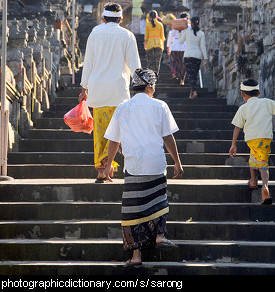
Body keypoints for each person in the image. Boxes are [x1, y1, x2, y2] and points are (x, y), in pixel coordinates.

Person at [103, 68, 184, 266]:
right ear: (149, 86)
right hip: (156, 163)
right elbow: (168, 137)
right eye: (153, 86)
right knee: (159, 201)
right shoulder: (160, 106)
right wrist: (177, 161)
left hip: (134, 166)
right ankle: (160, 235)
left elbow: (113, 140)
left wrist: (107, 166)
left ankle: (136, 256)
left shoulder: (122, 108)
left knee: (132, 212)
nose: (154, 89)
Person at [79, 2, 141, 183]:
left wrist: (84, 87)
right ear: (121, 18)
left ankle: (102, 168)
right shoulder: (127, 35)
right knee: (117, 132)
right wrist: (141, 88)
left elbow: (88, 62)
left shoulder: (95, 33)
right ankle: (108, 165)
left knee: (100, 132)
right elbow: (135, 66)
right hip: (118, 91)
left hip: (98, 90)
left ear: (103, 18)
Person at [229, 78, 273, 205]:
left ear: (243, 94)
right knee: (263, 162)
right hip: (265, 138)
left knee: (254, 157)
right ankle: (264, 186)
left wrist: (233, 144)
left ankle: (254, 181)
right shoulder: (267, 103)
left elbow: (237, 127)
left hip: (252, 139)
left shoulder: (244, 108)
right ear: (258, 93)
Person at [179, 16, 208, 98]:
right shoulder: (201, 33)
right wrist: (205, 58)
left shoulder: (187, 31)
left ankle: (194, 91)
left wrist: (179, 32)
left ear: (191, 23)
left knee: (190, 75)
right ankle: (191, 93)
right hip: (197, 56)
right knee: (194, 75)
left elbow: (180, 41)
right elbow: (203, 47)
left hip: (188, 55)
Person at [167, 12, 189, 85]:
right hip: (185, 47)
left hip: (175, 46)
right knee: (184, 63)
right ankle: (182, 79)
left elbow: (171, 36)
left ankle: (176, 74)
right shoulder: (189, 26)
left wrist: (168, 47)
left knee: (173, 62)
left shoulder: (176, 25)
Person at [144, 10, 165, 75]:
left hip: (150, 44)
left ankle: (150, 76)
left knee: (150, 61)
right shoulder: (160, 24)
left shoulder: (147, 24)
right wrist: (163, 46)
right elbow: (162, 37)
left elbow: (146, 36)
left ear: (149, 17)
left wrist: (145, 44)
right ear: (157, 16)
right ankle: (155, 76)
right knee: (157, 62)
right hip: (159, 44)